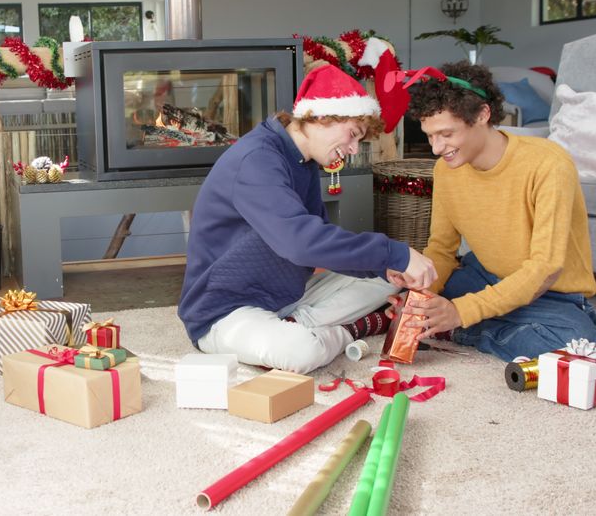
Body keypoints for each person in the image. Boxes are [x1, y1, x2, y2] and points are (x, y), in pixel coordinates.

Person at [178, 62, 438, 374]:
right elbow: (299, 242)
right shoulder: (257, 159)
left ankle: (296, 324)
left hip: (284, 296)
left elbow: (319, 238)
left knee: (387, 281)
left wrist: (385, 264)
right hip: (225, 311)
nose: (354, 149)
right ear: (320, 117)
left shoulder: (300, 161)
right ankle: (341, 333)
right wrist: (394, 252)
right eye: (353, 134)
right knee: (300, 351)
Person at [392, 61, 596, 361]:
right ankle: (458, 321)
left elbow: (545, 269)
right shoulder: (446, 170)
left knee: (578, 346)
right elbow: (441, 249)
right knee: (421, 295)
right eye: (429, 136)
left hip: (550, 294)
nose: (437, 148)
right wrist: (419, 295)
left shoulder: (548, 165)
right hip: (484, 276)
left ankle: (457, 331)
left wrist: (460, 313)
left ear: (482, 114)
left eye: (446, 134)